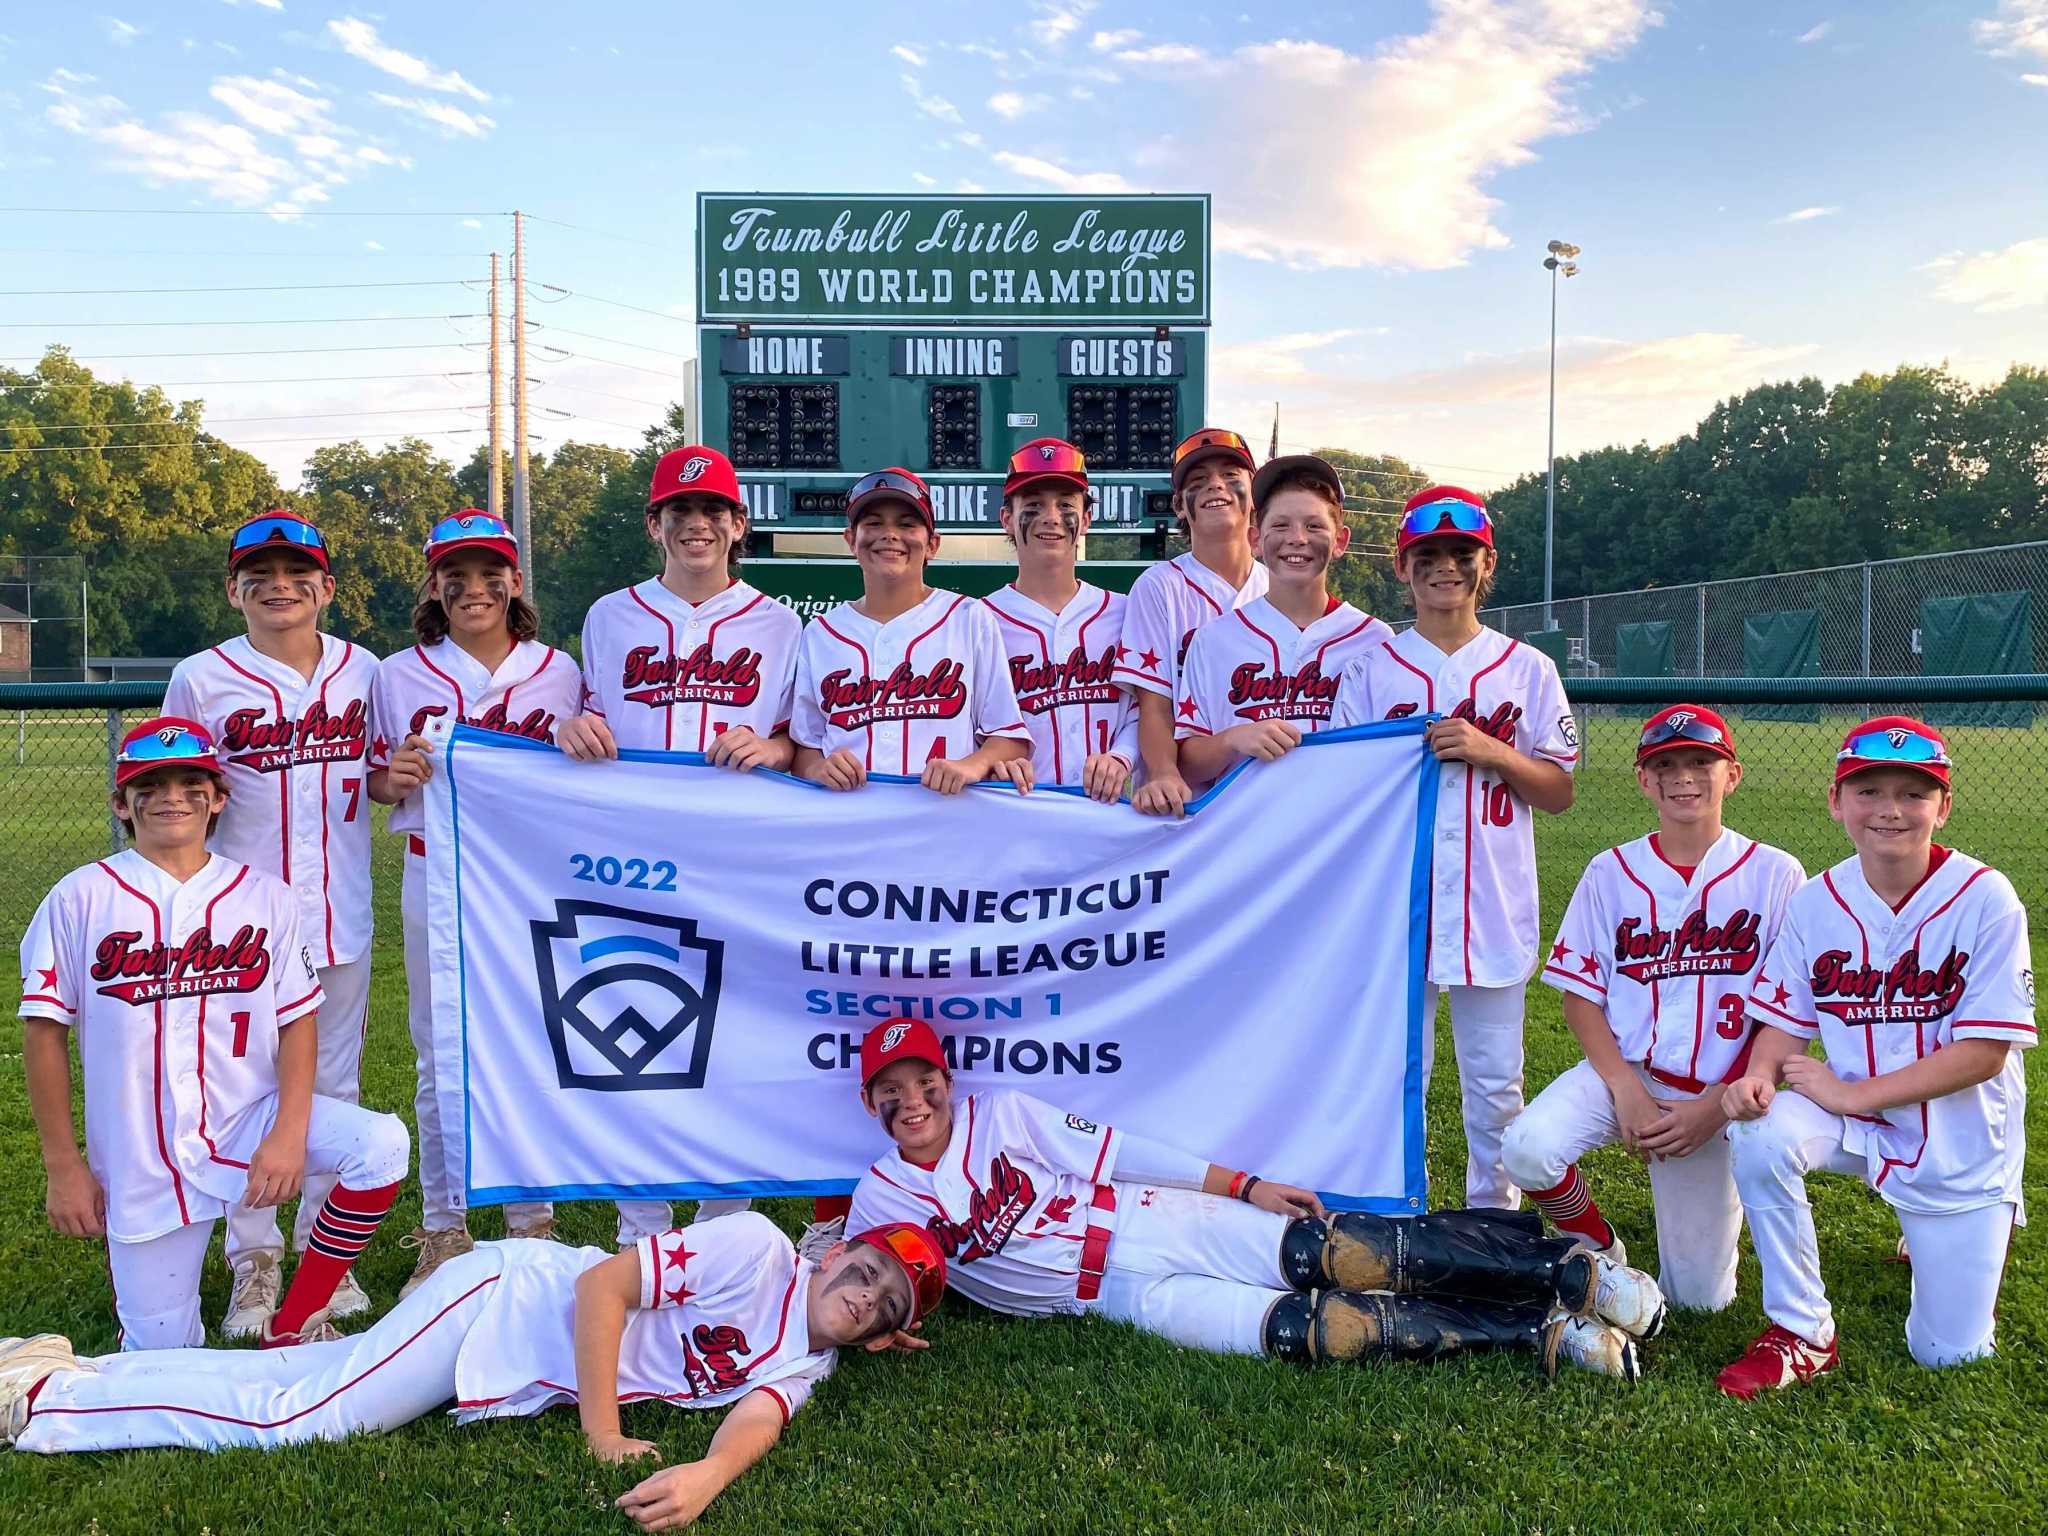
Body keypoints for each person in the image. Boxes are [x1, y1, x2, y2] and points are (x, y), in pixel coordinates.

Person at [1, 1212, 944, 1531]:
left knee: (316, 1377)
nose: (865, 1296)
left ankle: (72, 1366)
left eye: (886, 1306)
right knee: (304, 1417)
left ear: (882, 1335)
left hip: (510, 1345)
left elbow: (760, 1419)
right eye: (866, 1271)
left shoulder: (810, 1354)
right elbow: (605, 1290)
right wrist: (605, 1435)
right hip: (505, 1299)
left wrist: (708, 1471)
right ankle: (41, 1401)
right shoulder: (758, 1248)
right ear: (836, 1254)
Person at [843, 1018, 1660, 1378]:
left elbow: (1121, 1154)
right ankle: (1534, 1333)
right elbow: (848, 1279)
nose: (912, 1102)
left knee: (1334, 1253)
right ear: (869, 1105)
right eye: (890, 1091)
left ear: (947, 1082)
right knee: (1316, 1332)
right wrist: (882, 1322)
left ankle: (1557, 1263)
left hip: (1142, 1222)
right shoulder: (878, 1199)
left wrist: (1242, 1185)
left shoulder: (1004, 1114)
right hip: (1116, 1300)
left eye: (924, 1081)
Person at [17, 718, 410, 1351]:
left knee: (382, 1143)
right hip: (139, 1150)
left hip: (246, 1118)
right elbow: (43, 1032)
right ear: (122, 802)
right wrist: (63, 1164)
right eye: (152, 785)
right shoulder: (80, 898)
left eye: (191, 783)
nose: (173, 796)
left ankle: (292, 1325)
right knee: (160, 1356)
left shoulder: (264, 897)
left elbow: (298, 1019)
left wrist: (287, 1135)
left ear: (218, 798)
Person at [369, 511, 664, 1297]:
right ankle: (444, 1224)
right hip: (435, 874)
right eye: (455, 574)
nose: (473, 587)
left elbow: (591, 766)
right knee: (440, 1054)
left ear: (514, 581)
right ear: (434, 584)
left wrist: (580, 735)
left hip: (530, 883)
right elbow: (373, 781)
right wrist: (390, 776)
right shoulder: (398, 673)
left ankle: (530, 1218)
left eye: (488, 571)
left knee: (532, 1042)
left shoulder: (557, 672)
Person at [1716, 717, 2034, 1397]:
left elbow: (1983, 1052)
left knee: (1949, 1356)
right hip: (1859, 1123)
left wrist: (1851, 1094)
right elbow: (1781, 1020)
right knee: (1761, 1132)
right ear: (1836, 801)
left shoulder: (1986, 898)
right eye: (1869, 790)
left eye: (1913, 794)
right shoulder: (1817, 903)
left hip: (1961, 1143)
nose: (1890, 810)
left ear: (1942, 806)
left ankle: (1965, 1233)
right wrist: (1757, 1077)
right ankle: (1802, 1332)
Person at [557, 445, 802, 1229]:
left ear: (738, 525)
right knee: (636, 1029)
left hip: (735, 855)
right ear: (655, 525)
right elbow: (586, 714)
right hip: (633, 855)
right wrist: (577, 726)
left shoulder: (777, 623)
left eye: (712, 512)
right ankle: (643, 1222)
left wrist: (776, 748)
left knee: (733, 1032)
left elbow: (800, 738)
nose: (697, 524)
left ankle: (726, 1217)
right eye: (680, 512)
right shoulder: (609, 615)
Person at [1501, 706, 1804, 1310]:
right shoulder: (1609, 871)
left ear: (1733, 775)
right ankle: (1598, 1247)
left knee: (1698, 1300)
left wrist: (1716, 1107)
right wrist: (1624, 1088)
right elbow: (1580, 995)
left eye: (1701, 762)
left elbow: (1786, 1014)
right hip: (1628, 1072)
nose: (1683, 776)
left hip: (1720, 1092)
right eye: (1664, 765)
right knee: (1527, 1148)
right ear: (1644, 781)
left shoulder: (1776, 874)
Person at [160, 512, 382, 1335]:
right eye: (260, 573)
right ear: (234, 589)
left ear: (326, 586)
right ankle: (253, 1260)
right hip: (240, 929)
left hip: (338, 915)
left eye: (297, 571)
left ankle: (331, 1254)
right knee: (244, 1096)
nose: (279, 585)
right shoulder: (202, 677)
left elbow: (389, 775)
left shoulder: (368, 672)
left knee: (334, 1090)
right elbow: (175, 799)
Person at [1332, 486, 1577, 1210]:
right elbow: (1345, 787)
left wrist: (1492, 751)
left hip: (1492, 903)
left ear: (1486, 565)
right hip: (1396, 906)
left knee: (1497, 1083)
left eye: (1462, 554)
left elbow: (1558, 791)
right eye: (1428, 556)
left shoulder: (1526, 668)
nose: (1446, 568)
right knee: (1391, 1073)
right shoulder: (1373, 669)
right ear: (1403, 569)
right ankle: (1390, 1209)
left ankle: (1490, 1219)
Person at [1174, 454, 1389, 784]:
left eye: (1314, 525)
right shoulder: (1215, 639)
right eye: (1280, 525)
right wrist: (1233, 739)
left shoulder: (1375, 640)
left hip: (1340, 832)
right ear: (1256, 540)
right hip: (1244, 831)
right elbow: (1187, 765)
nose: (1297, 538)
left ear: (1340, 541)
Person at [1112, 427, 1268, 816]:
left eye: (1232, 476)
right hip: (1189, 800)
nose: (1217, 485)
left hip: (1265, 793)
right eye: (1199, 481)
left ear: (1255, 495)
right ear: (1180, 504)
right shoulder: (1160, 585)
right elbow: (1153, 701)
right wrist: (1164, 772)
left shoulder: (1277, 584)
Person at [981, 437, 1137, 801]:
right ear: (1007, 519)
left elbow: (1147, 710)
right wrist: (992, 757)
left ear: (1085, 520)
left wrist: (1122, 756)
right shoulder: (979, 620)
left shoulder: (1124, 611)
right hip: (1016, 812)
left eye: (1065, 504)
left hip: (1111, 812)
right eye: (1033, 504)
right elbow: (967, 723)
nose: (1051, 516)